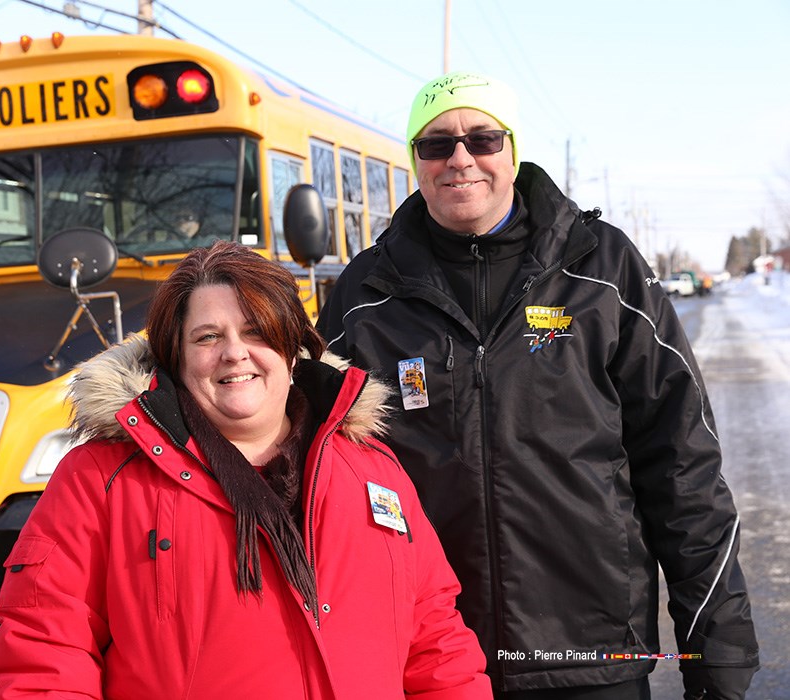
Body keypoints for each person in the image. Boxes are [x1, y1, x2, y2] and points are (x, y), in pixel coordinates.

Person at [315, 72, 759, 700]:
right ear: (415, 160)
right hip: (433, 658)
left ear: (513, 151)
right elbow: (309, 466)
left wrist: (716, 650)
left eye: (482, 138)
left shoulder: (601, 271)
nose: (460, 158)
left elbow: (682, 466)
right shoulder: (366, 295)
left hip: (590, 654)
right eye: (436, 144)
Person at [0, 241, 492, 698]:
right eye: (207, 337)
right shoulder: (100, 479)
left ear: (291, 350)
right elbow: (41, 657)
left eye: (256, 331)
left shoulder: (373, 470)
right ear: (176, 360)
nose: (234, 353)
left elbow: (437, 646)